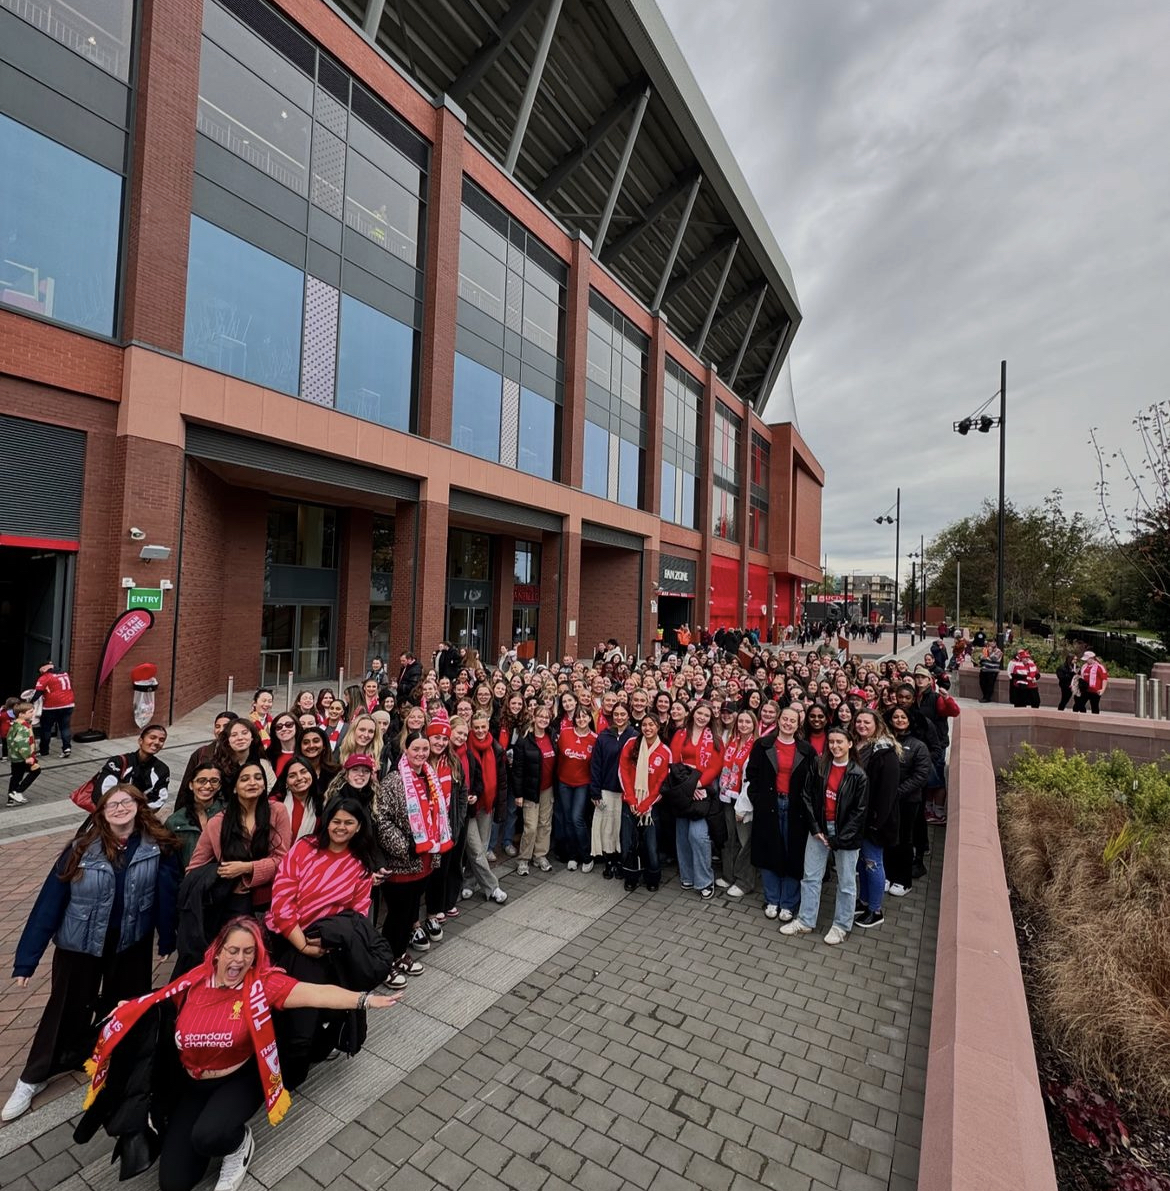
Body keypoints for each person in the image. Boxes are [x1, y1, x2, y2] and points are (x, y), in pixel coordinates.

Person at [78, 917, 399, 1191]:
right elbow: (155, 1002)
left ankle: (237, 1143)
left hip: (239, 1079)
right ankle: (212, 1130)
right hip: (192, 1082)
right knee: (174, 1184)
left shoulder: (264, 985)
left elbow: (316, 993)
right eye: (232, 950)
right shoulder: (195, 981)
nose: (238, 960)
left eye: (248, 952)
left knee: (210, 1136)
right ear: (217, 952)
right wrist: (127, 1011)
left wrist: (364, 1000)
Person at [4, 784, 180, 1122]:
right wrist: (27, 959)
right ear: (100, 812)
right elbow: (49, 904)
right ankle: (33, 1076)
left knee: (125, 1007)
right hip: (79, 944)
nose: (119, 808)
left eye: (126, 801)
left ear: (139, 806)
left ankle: (115, 1061)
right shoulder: (81, 849)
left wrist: (166, 941)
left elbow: (165, 898)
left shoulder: (157, 848)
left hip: (131, 943)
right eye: (111, 804)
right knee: (65, 1007)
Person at [266, 797, 389, 1085]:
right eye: (336, 821)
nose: (341, 827)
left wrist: (328, 946)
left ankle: (314, 1053)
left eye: (349, 822)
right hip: (289, 939)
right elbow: (282, 900)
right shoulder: (304, 848)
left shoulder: (360, 864)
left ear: (359, 826)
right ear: (327, 821)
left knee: (324, 1010)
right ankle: (286, 1076)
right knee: (295, 1014)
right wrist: (302, 944)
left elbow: (357, 915)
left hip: (327, 946)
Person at [780, 727, 869, 945]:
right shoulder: (820, 766)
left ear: (850, 744)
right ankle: (806, 920)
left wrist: (840, 838)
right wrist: (815, 827)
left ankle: (841, 926)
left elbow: (860, 812)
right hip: (819, 830)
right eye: (831, 742)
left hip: (845, 836)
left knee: (846, 883)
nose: (835, 746)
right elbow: (807, 795)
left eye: (840, 742)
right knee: (810, 877)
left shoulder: (859, 775)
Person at [372, 730, 449, 977]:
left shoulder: (430, 777)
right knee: (397, 916)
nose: (421, 754)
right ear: (406, 749)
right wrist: (405, 847)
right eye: (416, 749)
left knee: (409, 914)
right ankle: (386, 961)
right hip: (403, 863)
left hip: (424, 862)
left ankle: (399, 953)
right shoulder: (394, 781)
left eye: (425, 749)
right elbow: (381, 820)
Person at [187, 762, 291, 925]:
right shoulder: (218, 823)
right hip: (231, 903)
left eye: (258, 778)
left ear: (264, 785)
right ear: (234, 788)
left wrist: (246, 868)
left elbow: (283, 860)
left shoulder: (277, 811)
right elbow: (194, 869)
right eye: (244, 779)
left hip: (272, 899)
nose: (252, 782)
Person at [745, 707, 815, 921]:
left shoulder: (807, 750)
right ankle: (772, 899)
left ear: (798, 724)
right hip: (769, 806)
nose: (787, 723)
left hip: (795, 809)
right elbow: (752, 775)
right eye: (784, 719)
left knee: (792, 853)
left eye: (792, 720)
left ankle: (788, 902)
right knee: (769, 851)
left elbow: (812, 782)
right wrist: (757, 798)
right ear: (778, 720)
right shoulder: (763, 745)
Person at [852, 709, 901, 929]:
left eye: (866, 722)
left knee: (873, 862)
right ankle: (864, 900)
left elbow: (887, 792)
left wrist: (875, 821)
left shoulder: (885, 752)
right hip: (858, 815)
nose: (862, 725)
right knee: (862, 861)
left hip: (875, 820)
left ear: (877, 724)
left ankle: (876, 909)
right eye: (858, 721)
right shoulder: (857, 745)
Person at [670, 701, 723, 899]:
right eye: (699, 713)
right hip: (682, 785)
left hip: (703, 788)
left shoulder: (715, 739)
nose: (702, 717)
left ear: (711, 719)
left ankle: (704, 880)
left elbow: (715, 766)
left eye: (706, 715)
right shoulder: (681, 734)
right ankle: (687, 875)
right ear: (693, 714)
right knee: (682, 833)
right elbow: (675, 761)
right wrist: (688, 786)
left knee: (698, 835)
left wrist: (698, 785)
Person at [618, 715, 671, 891]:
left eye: (652, 725)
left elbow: (662, 783)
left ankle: (652, 877)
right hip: (630, 802)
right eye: (645, 725)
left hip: (651, 806)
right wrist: (631, 799)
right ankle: (630, 876)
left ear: (658, 727)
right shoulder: (631, 744)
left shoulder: (664, 751)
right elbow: (623, 772)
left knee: (651, 844)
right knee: (628, 842)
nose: (648, 728)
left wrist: (645, 805)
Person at [886, 706, 931, 896]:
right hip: (886, 800)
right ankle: (887, 875)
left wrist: (898, 792)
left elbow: (921, 775)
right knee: (887, 838)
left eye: (903, 717)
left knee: (904, 839)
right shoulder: (885, 741)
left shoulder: (918, 746)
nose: (899, 720)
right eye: (895, 717)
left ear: (910, 720)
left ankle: (903, 880)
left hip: (908, 801)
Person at [464, 710, 508, 902]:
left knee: (480, 847)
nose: (480, 731)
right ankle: (493, 887)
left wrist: (500, 806)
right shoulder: (465, 747)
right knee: (475, 849)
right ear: (471, 728)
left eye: (483, 727)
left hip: (488, 804)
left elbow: (502, 779)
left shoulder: (496, 748)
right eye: (476, 727)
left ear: (488, 727)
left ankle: (468, 882)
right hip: (471, 806)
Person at [589, 701, 637, 879]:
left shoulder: (635, 736)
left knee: (621, 829)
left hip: (626, 791)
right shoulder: (603, 736)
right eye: (616, 714)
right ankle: (609, 862)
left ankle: (621, 861)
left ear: (628, 715)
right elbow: (595, 764)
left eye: (623, 714)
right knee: (607, 828)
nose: (619, 717)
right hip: (606, 789)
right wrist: (595, 791)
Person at [716, 709, 758, 899]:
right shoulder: (732, 741)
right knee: (730, 837)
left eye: (747, 722)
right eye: (740, 721)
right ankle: (729, 874)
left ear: (754, 725)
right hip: (728, 796)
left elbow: (752, 778)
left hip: (744, 800)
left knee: (745, 842)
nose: (743, 725)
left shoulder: (755, 745)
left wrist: (744, 805)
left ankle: (745, 881)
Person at [512, 704, 557, 876]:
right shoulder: (525, 740)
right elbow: (517, 768)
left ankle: (540, 855)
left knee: (545, 824)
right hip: (530, 789)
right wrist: (519, 794)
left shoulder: (551, 736)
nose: (544, 720)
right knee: (530, 826)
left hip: (548, 788)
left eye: (547, 717)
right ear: (534, 717)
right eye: (541, 716)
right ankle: (524, 859)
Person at [556, 703, 597, 871]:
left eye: (585, 716)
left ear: (589, 718)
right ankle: (572, 855)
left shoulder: (595, 739)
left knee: (577, 819)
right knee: (567, 819)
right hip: (564, 782)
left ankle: (587, 855)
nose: (581, 719)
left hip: (583, 784)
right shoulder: (565, 734)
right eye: (578, 716)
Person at [98, 724, 172, 810]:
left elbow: (159, 799)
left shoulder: (162, 769)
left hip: (140, 816)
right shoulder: (118, 762)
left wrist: (135, 811)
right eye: (152, 737)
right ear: (140, 741)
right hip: (109, 814)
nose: (156, 742)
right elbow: (103, 792)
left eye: (161, 740)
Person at [165, 764, 226, 866]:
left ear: (220, 786)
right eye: (201, 780)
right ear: (191, 785)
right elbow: (169, 862)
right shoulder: (175, 821)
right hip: (188, 878)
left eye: (214, 781)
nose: (207, 786)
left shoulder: (228, 814)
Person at [272, 757, 324, 842]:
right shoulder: (275, 803)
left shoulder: (322, 804)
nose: (299, 778)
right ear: (286, 782)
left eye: (303, 772)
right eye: (292, 776)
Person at [34, 660, 75, 757]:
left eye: (41, 671)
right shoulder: (65, 674)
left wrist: (28, 702)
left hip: (51, 707)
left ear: (44, 668)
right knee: (65, 727)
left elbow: (37, 693)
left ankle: (44, 750)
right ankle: (66, 748)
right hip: (68, 704)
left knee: (46, 729)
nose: (41, 673)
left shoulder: (45, 677)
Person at [6, 700, 40, 805]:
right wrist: (28, 757)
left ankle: (11, 799)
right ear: (21, 714)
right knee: (36, 771)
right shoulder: (23, 727)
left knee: (16, 776)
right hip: (22, 757)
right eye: (30, 712)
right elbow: (22, 743)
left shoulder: (15, 724)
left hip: (14, 756)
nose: (32, 713)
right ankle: (18, 792)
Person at [266, 713, 300, 778]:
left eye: (289, 725)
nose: (284, 729)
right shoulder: (269, 756)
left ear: (296, 727)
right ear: (275, 732)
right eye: (279, 727)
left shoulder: (306, 752)